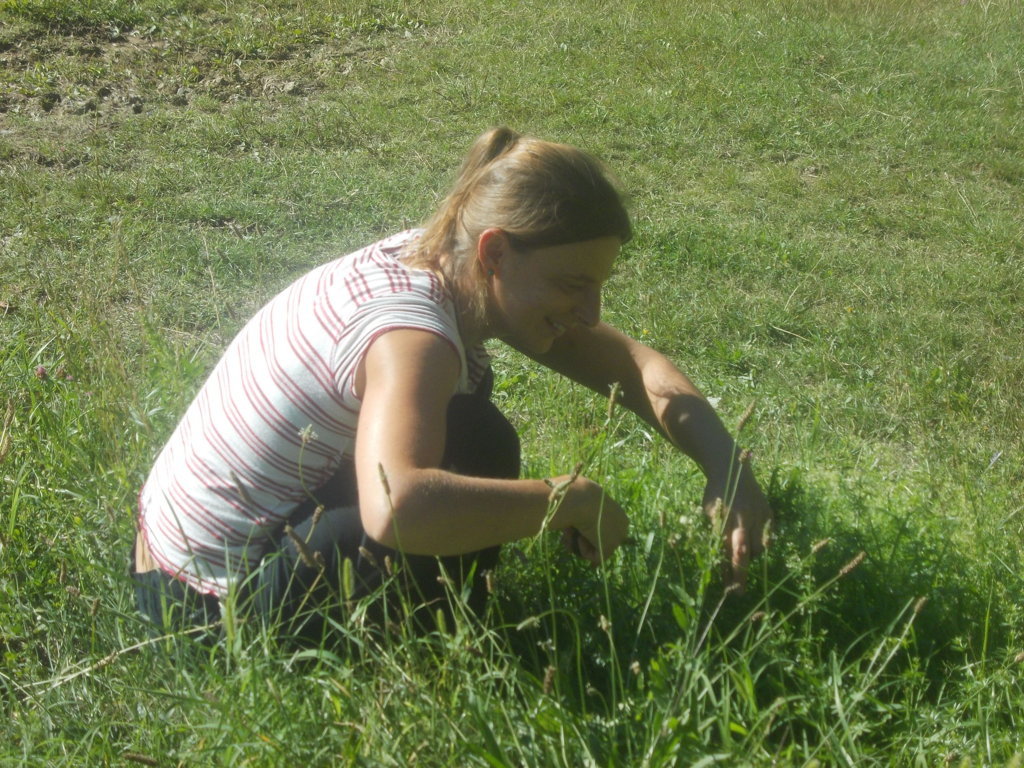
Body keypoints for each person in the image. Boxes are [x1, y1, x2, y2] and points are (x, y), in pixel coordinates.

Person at [132, 127, 771, 643]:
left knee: (465, 435)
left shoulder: (443, 260)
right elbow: (398, 505)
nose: (592, 313)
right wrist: (567, 499)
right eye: (574, 285)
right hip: (204, 616)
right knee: (479, 444)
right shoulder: (414, 338)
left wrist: (727, 465)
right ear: (495, 254)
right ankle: (431, 652)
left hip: (175, 564)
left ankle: (423, 628)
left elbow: (633, 368)